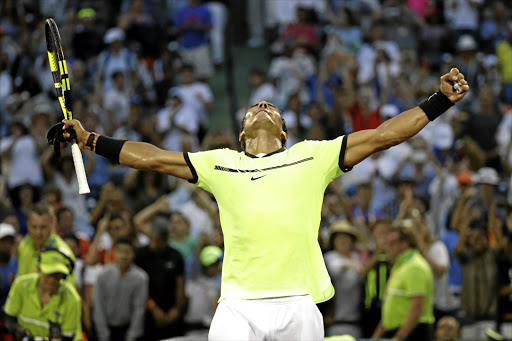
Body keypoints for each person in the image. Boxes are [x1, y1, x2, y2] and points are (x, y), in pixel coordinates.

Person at [63, 68, 469, 340]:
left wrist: (440, 101)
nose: (262, 107)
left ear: (285, 132)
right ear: (241, 134)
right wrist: (89, 139)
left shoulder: (314, 156)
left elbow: (384, 136)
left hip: (298, 302)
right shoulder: (220, 162)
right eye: (254, 108)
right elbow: (151, 157)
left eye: (271, 107)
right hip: (237, 306)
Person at [371, 219, 435, 341]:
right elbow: (391, 305)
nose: (387, 248)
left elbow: (417, 306)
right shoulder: (400, 266)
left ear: (404, 244)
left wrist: (399, 337)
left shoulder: (414, 266)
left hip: (413, 334)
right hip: (398, 333)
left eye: (392, 244)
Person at [3, 246, 82, 341]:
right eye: (49, 273)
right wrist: (19, 331)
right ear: (38, 269)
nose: (53, 279)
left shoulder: (72, 299)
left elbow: (68, 337)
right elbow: (9, 318)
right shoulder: (20, 285)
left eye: (58, 274)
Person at [134, 216, 187, 340]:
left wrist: (177, 309)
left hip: (171, 310)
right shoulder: (140, 255)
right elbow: (139, 286)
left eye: (163, 240)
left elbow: (180, 285)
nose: (159, 243)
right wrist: (153, 307)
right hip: (147, 311)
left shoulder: (175, 256)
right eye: (157, 239)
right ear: (151, 236)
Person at [92, 237, 148, 341]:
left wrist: (132, 335)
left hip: (127, 329)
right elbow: (98, 305)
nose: (123, 256)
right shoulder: (103, 275)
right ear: (114, 252)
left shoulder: (140, 278)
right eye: (120, 251)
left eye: (127, 252)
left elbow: (139, 308)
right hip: (105, 329)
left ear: (133, 253)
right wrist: (103, 333)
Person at [17, 203, 74, 278]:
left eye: (43, 227)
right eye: (34, 227)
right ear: (27, 225)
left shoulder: (63, 253)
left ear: (53, 225)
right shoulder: (23, 244)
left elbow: (67, 288)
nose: (38, 233)